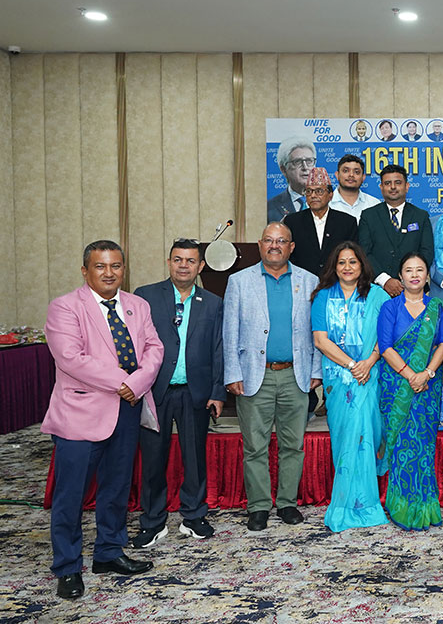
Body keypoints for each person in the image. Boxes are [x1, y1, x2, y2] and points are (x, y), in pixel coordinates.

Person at [43, 240, 163, 600]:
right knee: (71, 495)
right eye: (100, 266)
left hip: (127, 410)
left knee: (116, 488)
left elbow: (154, 348)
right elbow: (71, 357)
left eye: (115, 266)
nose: (109, 273)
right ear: (85, 271)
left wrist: (137, 383)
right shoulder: (65, 307)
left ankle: (109, 552)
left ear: (124, 269)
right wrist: (124, 382)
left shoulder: (138, 305)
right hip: (81, 414)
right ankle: (67, 567)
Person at [224, 223, 322, 531]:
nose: (275, 245)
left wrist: (316, 370)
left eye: (281, 241)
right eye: (269, 240)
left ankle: (287, 503)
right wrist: (232, 372)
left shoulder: (309, 280)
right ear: (260, 245)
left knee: (293, 445)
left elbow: (319, 329)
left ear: (291, 247)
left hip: (296, 374)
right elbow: (229, 331)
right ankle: (259, 506)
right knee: (255, 446)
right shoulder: (239, 281)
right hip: (255, 375)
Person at [129, 239, 224, 549]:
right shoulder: (145, 296)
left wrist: (217, 392)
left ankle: (193, 516)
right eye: (178, 259)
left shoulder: (213, 302)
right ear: (168, 262)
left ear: (201, 266)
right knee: (153, 458)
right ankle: (153, 521)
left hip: (195, 392)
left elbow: (218, 349)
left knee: (194, 458)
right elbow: (133, 342)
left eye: (190, 260)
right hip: (154, 391)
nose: (184, 265)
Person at [310, 241, 390, 532]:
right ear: (334, 267)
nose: (347, 267)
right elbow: (320, 340)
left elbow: (386, 336)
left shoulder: (377, 295)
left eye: (352, 262)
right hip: (339, 380)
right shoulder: (322, 297)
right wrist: (353, 365)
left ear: (361, 265)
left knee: (368, 434)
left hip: (370, 376)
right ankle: (345, 505)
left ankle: (367, 503)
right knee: (346, 439)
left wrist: (369, 361)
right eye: (341, 262)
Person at [376, 252, 443, 529]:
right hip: (396, 386)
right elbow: (385, 347)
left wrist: (427, 373)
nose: (414, 275)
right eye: (408, 270)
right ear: (400, 276)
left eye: (420, 270)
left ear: (427, 277)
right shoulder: (389, 307)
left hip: (427, 387)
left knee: (423, 445)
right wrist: (411, 375)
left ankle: (425, 506)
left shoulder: (436, 307)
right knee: (401, 444)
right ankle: (400, 506)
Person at [358, 164, 435, 298]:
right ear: (381, 187)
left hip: (413, 289)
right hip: (376, 289)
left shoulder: (421, 216)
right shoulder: (368, 216)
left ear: (407, 186)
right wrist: (384, 280)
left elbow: (427, 252)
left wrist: (408, 279)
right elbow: (363, 252)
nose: (393, 187)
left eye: (398, 182)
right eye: (388, 183)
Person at [284, 167, 359, 276]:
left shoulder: (347, 222)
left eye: (319, 191)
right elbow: (289, 255)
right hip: (302, 281)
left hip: (337, 281)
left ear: (330, 195)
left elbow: (353, 256)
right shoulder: (293, 222)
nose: (313, 195)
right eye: (309, 191)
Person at [268, 136, 316, 222]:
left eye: (309, 161)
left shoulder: (328, 202)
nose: (305, 167)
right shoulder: (270, 208)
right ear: (283, 169)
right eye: (297, 162)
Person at [329, 154, 381, 221]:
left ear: (363, 177)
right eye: (346, 171)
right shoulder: (326, 204)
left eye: (356, 172)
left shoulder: (374, 204)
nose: (351, 175)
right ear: (337, 175)